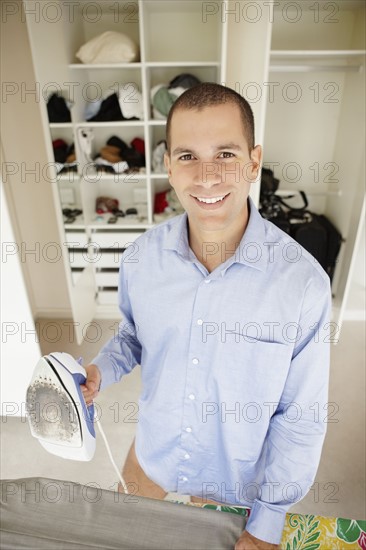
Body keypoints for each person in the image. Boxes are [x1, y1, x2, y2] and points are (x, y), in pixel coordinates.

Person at [81, 83, 331, 549]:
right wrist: (100, 368)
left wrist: (268, 521)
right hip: (152, 457)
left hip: (234, 488)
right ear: (168, 166)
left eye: (225, 154)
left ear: (254, 162)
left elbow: (301, 416)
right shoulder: (140, 259)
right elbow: (134, 334)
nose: (207, 176)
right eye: (188, 156)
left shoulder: (303, 285)